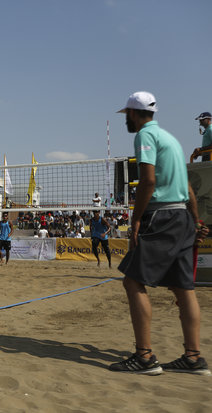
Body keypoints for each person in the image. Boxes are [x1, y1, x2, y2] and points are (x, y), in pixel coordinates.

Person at [110, 91, 210, 375]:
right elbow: (189, 188)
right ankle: (193, 358)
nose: (126, 120)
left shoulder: (144, 136)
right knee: (184, 289)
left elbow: (148, 180)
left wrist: (136, 219)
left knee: (132, 282)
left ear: (133, 113)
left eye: (127, 115)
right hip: (181, 216)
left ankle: (144, 357)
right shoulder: (172, 140)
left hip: (161, 215)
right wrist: (195, 220)